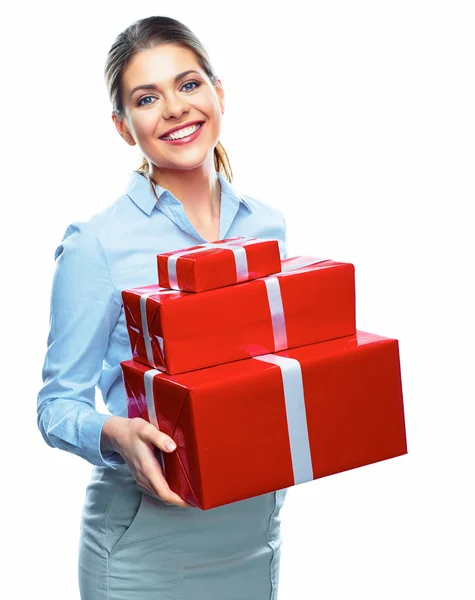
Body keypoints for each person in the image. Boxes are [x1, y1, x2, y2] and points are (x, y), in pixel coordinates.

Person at [36, 15, 288, 600]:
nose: (175, 108)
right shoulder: (96, 245)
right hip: (142, 543)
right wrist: (116, 433)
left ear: (219, 93)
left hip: (253, 529)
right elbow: (55, 406)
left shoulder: (267, 226)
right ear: (125, 128)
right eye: (147, 98)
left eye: (189, 84)